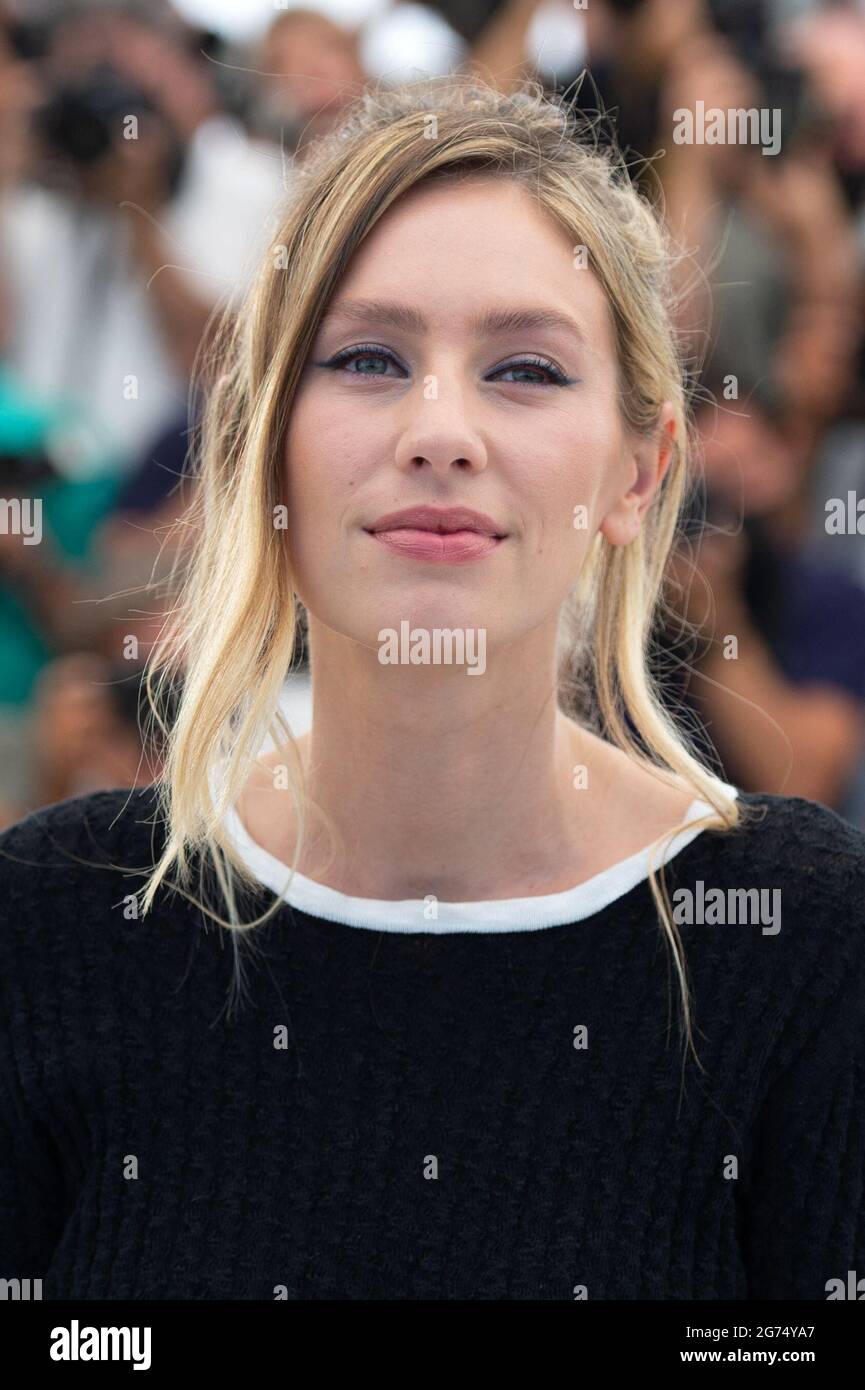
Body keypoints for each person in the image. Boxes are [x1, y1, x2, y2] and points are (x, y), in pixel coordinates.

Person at [1, 74, 864, 1302]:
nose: (439, 428)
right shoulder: (51, 922)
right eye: (365, 358)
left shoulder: (806, 940)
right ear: (261, 443)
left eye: (524, 368)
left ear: (639, 471)